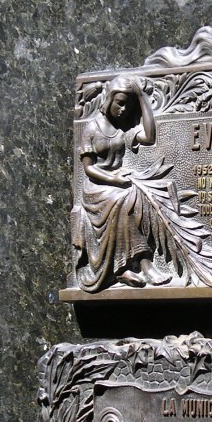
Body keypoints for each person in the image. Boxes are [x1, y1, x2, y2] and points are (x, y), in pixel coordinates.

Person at [76, 75, 171, 290]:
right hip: (97, 188)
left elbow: (149, 136)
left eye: (129, 105)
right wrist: (113, 179)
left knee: (137, 196)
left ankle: (135, 266)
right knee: (122, 200)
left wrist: (142, 97)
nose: (123, 109)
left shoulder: (123, 129)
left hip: (118, 183)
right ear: (109, 100)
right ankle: (133, 267)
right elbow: (88, 168)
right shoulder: (91, 129)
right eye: (119, 103)